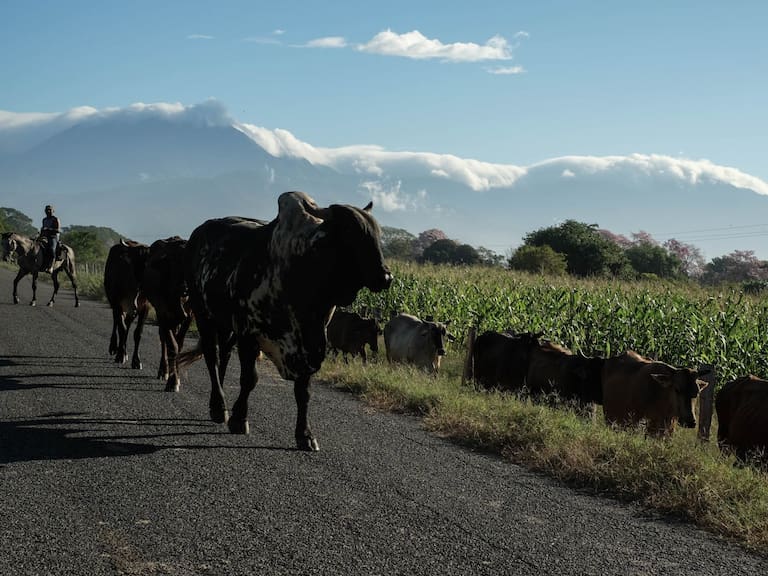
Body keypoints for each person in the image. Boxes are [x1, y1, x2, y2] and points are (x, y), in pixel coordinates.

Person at [40, 204, 61, 273]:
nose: (48, 211)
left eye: (50, 210)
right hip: (45, 237)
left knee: (52, 249)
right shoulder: (44, 220)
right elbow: (43, 229)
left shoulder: (55, 219)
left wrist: (48, 229)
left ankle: (51, 266)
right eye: (47, 210)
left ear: (53, 211)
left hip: (53, 237)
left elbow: (58, 230)